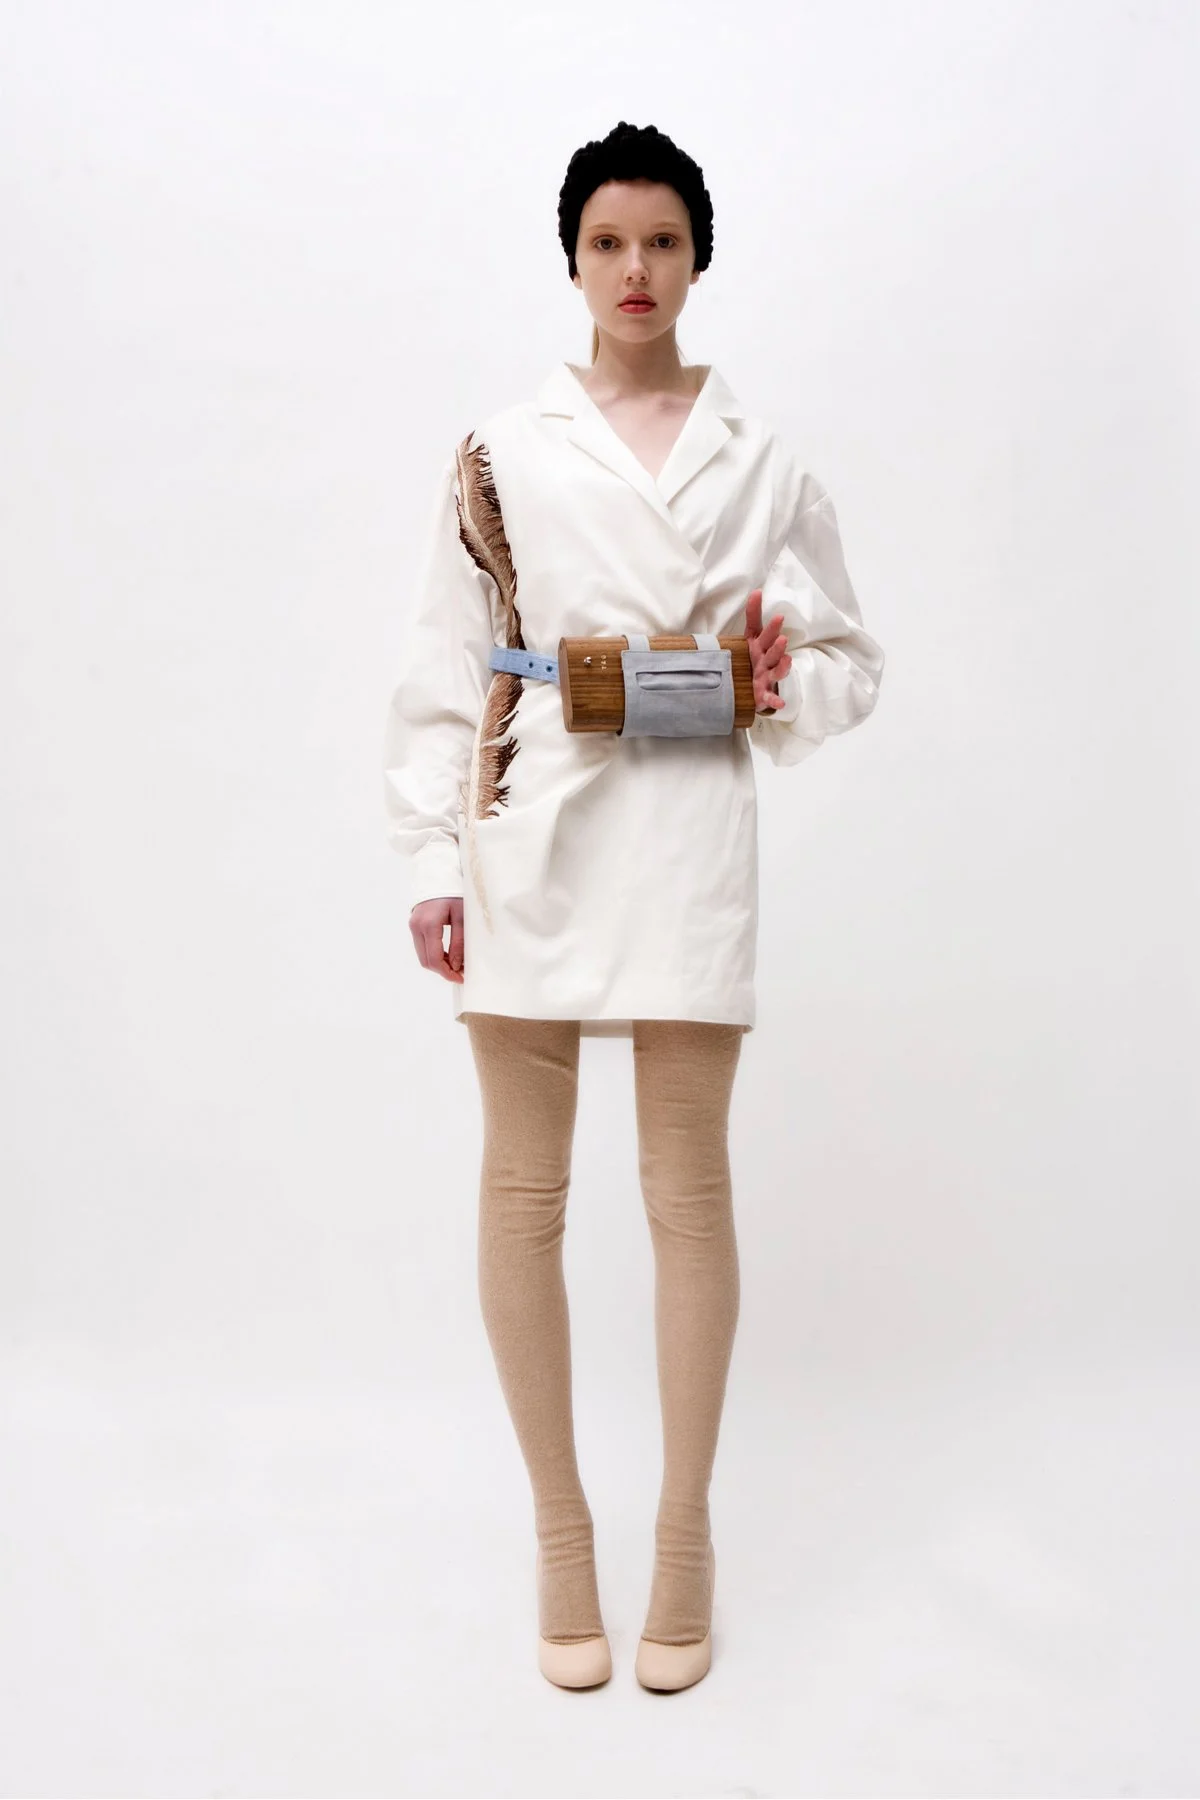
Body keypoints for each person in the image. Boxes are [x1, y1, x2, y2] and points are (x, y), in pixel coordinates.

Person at [382, 120, 885, 1692]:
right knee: (523, 1194)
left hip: (686, 832)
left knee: (687, 1195)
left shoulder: (765, 454)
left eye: (662, 241)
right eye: (608, 242)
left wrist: (774, 681)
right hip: (533, 824)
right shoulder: (501, 447)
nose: (636, 269)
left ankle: (683, 1538)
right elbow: (445, 663)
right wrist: (430, 860)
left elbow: (850, 661)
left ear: (698, 257)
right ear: (573, 260)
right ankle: (559, 1532)